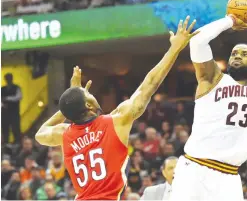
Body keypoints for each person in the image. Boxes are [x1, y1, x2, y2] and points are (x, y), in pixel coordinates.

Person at [35, 16, 198, 200]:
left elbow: (40, 133)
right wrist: (175, 48)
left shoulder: (65, 134)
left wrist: (70, 102)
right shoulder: (117, 121)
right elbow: (150, 84)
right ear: (88, 105)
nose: (92, 94)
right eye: (89, 94)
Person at [170, 0, 247, 201]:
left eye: (245, 54)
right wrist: (231, 20)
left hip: (229, 177)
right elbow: (198, 42)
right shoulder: (212, 78)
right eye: (234, 53)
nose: (237, 56)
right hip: (195, 169)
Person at [1, 73, 22, 144]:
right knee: (5, 129)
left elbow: (19, 97)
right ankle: (6, 144)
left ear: (12, 79)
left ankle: (17, 143)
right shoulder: (2, 89)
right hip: (4, 113)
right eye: (7, 79)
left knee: (15, 128)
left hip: (14, 112)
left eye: (9, 78)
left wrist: (7, 98)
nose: (8, 80)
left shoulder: (16, 87)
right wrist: (3, 105)